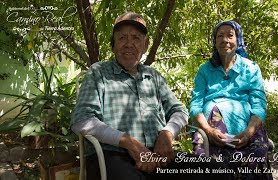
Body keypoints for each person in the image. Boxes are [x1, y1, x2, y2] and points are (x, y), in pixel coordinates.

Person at [70, 12, 190, 180]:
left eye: (135, 38)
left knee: (214, 170)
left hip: (158, 156)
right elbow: (82, 120)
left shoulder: (153, 75)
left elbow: (179, 110)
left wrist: (167, 133)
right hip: (113, 156)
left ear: (145, 45)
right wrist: (128, 142)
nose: (129, 44)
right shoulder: (98, 73)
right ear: (113, 45)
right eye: (122, 38)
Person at [189, 20, 273, 179]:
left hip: (247, 128)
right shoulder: (204, 70)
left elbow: (259, 105)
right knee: (210, 167)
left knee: (254, 160)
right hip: (209, 129)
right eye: (220, 36)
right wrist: (208, 130)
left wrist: (248, 133)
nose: (224, 40)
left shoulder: (251, 68)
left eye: (230, 35)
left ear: (238, 40)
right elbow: (195, 105)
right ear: (214, 41)